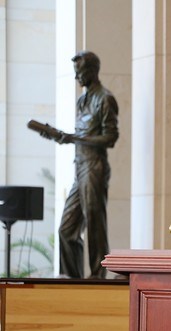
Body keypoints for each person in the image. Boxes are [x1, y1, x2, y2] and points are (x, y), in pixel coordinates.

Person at [40, 51, 119, 278]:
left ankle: (97, 276)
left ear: (93, 71)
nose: (78, 78)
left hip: (95, 167)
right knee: (67, 230)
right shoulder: (82, 100)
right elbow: (81, 135)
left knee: (95, 224)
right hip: (80, 167)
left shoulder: (105, 99)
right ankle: (71, 279)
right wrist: (60, 136)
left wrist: (73, 138)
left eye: (80, 73)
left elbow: (110, 138)